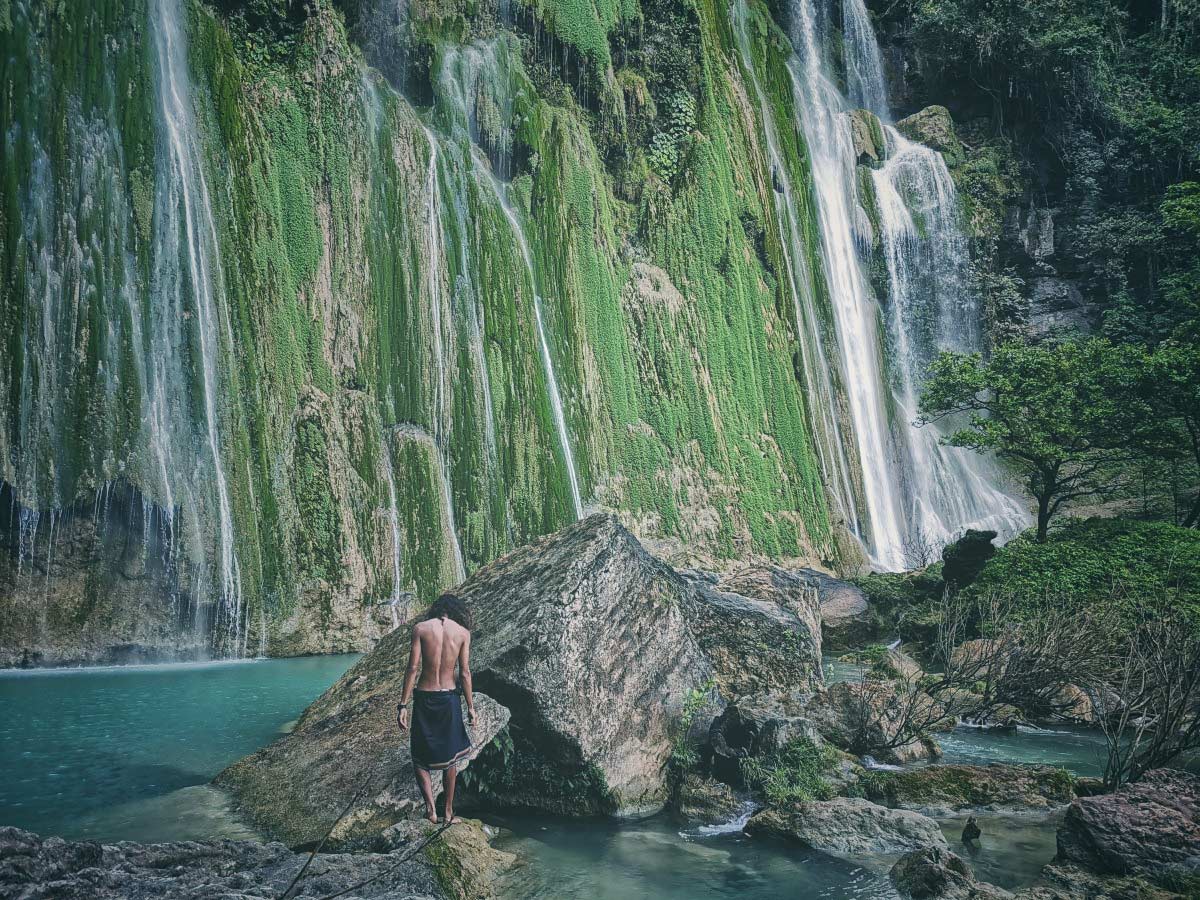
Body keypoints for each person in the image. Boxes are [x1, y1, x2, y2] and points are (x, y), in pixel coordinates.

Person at [397, 593, 477, 824]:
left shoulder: (421, 629)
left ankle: (431, 810)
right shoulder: (463, 634)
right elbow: (465, 673)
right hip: (449, 698)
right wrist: (471, 707)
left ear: (436, 609)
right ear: (456, 611)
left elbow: (412, 669)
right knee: (450, 758)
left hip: (424, 697)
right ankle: (449, 813)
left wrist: (402, 705)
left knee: (419, 755)